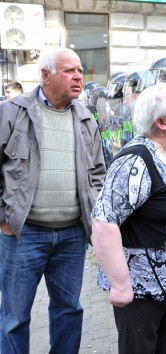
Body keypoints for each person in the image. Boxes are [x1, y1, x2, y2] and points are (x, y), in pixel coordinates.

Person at [91, 82, 166, 354]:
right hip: (142, 291)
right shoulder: (136, 161)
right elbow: (103, 221)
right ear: (162, 122)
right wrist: (121, 285)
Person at [0, 47, 106, 354]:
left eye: (80, 70)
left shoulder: (86, 118)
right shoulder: (12, 111)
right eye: (69, 70)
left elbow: (98, 172)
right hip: (23, 233)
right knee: (15, 317)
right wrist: (3, 218)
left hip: (72, 234)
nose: (78, 76)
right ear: (45, 75)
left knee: (69, 311)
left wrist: (93, 217)